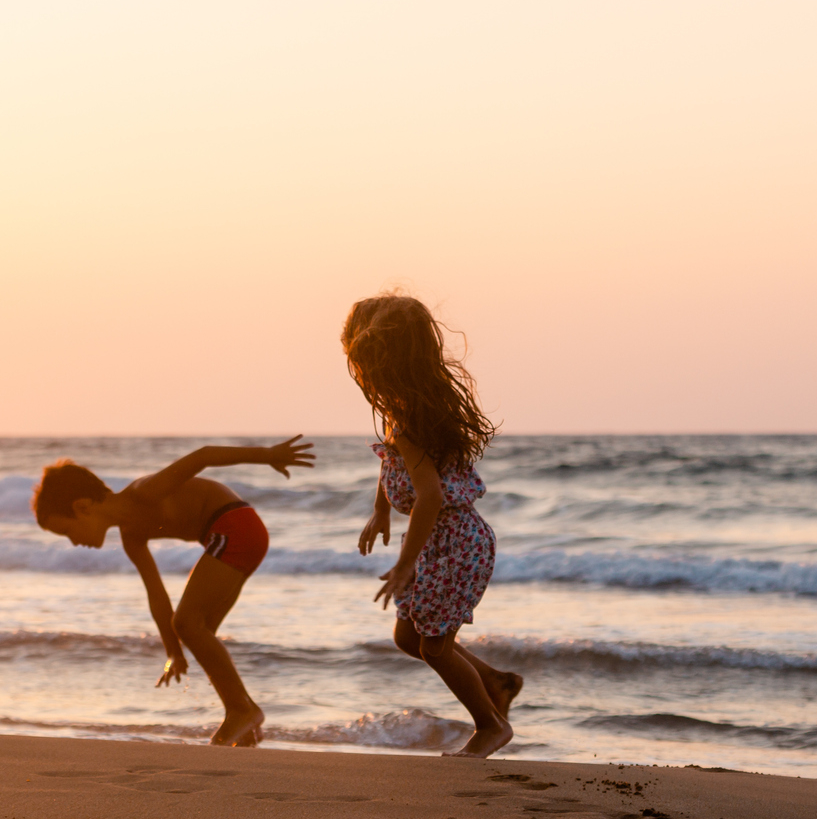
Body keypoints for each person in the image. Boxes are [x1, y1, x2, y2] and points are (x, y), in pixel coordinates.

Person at [32, 436, 314, 746]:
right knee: (197, 630)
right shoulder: (131, 536)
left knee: (187, 623)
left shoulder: (145, 491)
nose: (73, 542)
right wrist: (173, 651)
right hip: (231, 536)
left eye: (67, 531)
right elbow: (157, 595)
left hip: (235, 525)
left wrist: (268, 454)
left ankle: (240, 712)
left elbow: (203, 456)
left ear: (82, 507)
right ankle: (246, 714)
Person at [343, 293, 521, 757]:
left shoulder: (410, 423)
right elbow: (394, 468)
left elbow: (431, 496)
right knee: (410, 637)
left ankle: (491, 727)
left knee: (435, 647)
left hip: (455, 543)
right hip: (438, 542)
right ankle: (495, 682)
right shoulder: (409, 412)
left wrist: (404, 565)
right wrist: (381, 510)